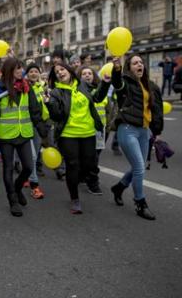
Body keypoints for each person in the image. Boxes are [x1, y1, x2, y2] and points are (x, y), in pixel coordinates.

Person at [45, 62, 112, 214]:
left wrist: (106, 84)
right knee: (72, 164)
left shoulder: (83, 85)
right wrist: (49, 103)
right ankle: (74, 198)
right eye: (57, 72)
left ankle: (80, 179)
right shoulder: (56, 92)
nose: (60, 73)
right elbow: (57, 116)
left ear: (69, 70)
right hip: (68, 134)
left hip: (88, 132)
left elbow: (97, 98)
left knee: (89, 163)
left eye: (62, 69)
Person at [0, 59, 46, 216]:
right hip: (5, 136)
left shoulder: (27, 87)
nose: (21, 71)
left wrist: (42, 131)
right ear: (9, 71)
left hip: (24, 134)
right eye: (17, 69)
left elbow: (34, 110)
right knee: (7, 168)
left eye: (21, 68)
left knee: (28, 167)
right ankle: (13, 200)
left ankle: (18, 187)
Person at [110, 54, 164, 220]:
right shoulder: (125, 82)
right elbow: (117, 83)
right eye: (135, 63)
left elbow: (157, 110)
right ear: (129, 67)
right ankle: (140, 203)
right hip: (127, 129)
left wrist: (157, 130)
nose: (139, 65)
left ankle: (119, 187)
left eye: (141, 62)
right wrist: (117, 68)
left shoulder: (151, 85)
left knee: (137, 167)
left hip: (144, 131)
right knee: (140, 167)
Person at [77, 65, 107, 194]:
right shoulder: (78, 92)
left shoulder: (99, 89)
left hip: (101, 129)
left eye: (90, 73)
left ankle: (85, 175)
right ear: (79, 77)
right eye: (84, 74)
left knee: (96, 155)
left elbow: (108, 108)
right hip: (87, 129)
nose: (87, 75)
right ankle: (92, 181)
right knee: (91, 156)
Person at [24, 64, 50, 199]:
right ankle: (34, 185)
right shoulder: (23, 86)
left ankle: (27, 175)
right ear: (27, 74)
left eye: (36, 71)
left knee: (34, 154)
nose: (33, 74)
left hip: (40, 125)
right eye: (31, 71)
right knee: (32, 156)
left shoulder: (42, 87)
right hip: (27, 124)